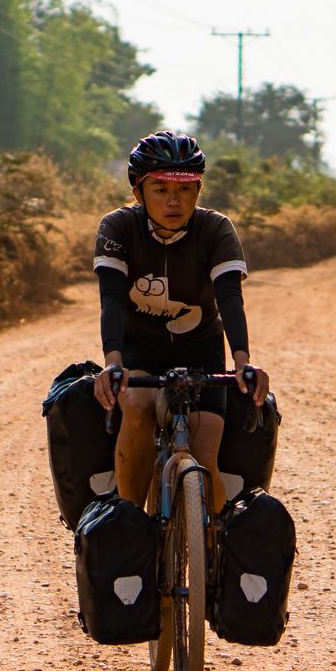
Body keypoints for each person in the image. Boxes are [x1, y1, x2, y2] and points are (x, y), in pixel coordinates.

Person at [91, 131, 269, 512]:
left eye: (186, 189)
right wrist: (113, 362)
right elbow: (110, 300)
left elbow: (230, 298)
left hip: (201, 348)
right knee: (137, 406)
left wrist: (241, 361)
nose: (174, 200)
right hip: (140, 345)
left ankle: (217, 541)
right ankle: (130, 521)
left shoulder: (216, 229)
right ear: (138, 192)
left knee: (205, 455)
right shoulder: (118, 227)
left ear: (198, 191)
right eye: (160, 189)